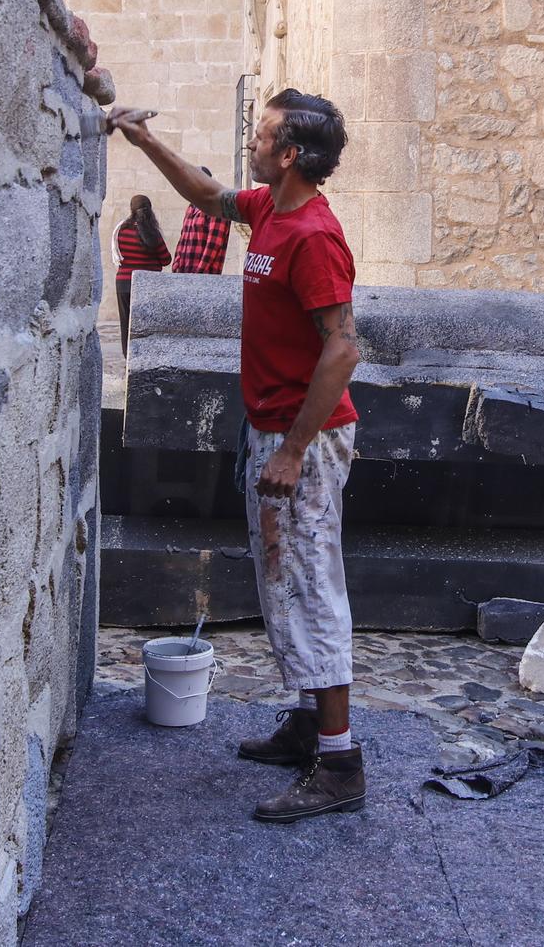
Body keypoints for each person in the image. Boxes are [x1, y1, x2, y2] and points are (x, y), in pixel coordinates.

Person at [104, 90, 364, 824]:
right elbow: (208, 193)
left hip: (301, 443)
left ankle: (341, 762)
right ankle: (312, 725)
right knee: (286, 585)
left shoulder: (313, 234)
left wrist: (292, 448)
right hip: (274, 432)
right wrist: (144, 142)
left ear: (289, 154)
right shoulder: (268, 211)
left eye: (262, 133)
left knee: (312, 589)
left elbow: (344, 347)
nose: (251, 141)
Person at [113, 194, 172, 354]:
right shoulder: (153, 233)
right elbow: (166, 259)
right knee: (146, 324)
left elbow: (118, 256)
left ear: (131, 209)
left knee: (126, 324)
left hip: (124, 282)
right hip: (147, 285)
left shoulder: (121, 230)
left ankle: (128, 358)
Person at [172, 167, 232, 275]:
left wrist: (200, 271)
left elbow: (214, 243)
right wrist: (176, 264)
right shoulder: (191, 207)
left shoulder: (217, 206)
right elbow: (183, 238)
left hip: (205, 274)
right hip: (183, 272)